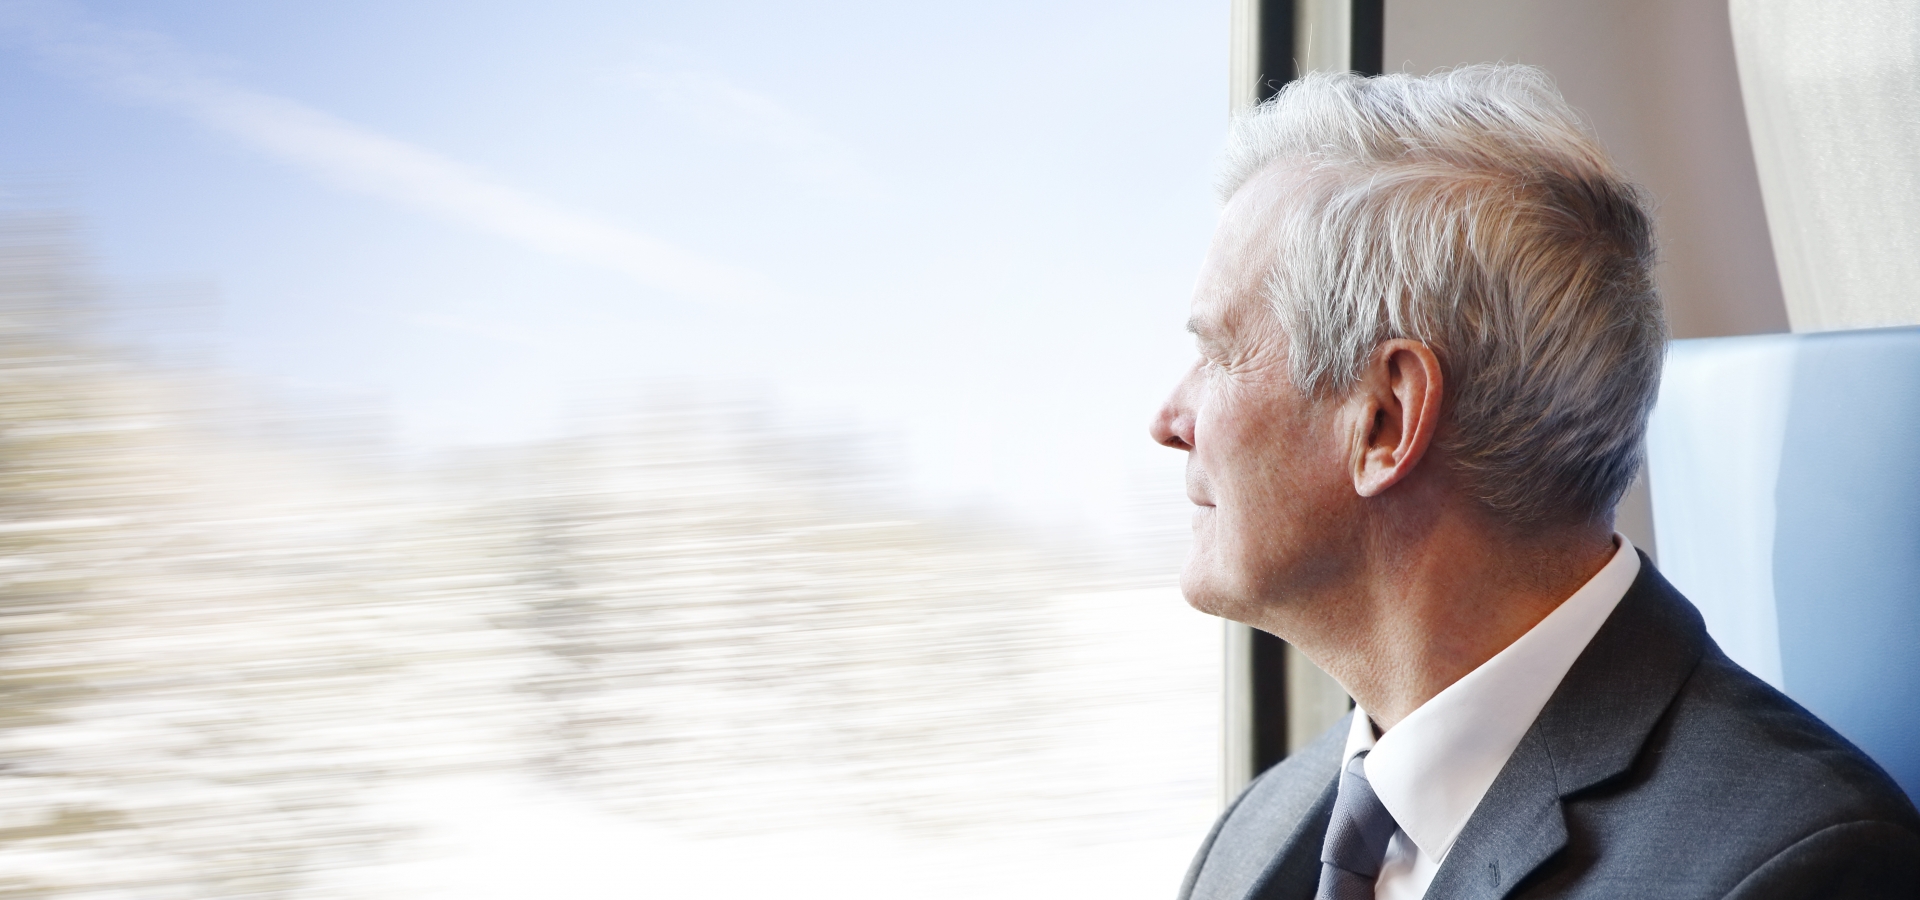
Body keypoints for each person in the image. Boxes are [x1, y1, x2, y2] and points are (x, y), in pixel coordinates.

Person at [1153, 65, 1920, 900]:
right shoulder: (1260, 827)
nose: (1169, 417)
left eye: (1219, 354)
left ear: (1383, 419)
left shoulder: (1798, 865)